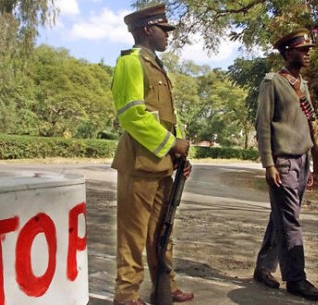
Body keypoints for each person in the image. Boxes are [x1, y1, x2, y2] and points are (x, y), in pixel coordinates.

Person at [110, 4, 193, 305]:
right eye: (164, 29)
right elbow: (131, 116)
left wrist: (179, 154)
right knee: (132, 235)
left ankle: (166, 287)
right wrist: (172, 143)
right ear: (147, 29)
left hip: (161, 163)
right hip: (137, 163)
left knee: (162, 232)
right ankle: (127, 294)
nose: (168, 35)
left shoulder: (156, 65)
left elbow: (164, 117)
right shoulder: (131, 63)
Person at [252, 28, 318, 301]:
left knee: (282, 216)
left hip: (302, 161)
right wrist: (268, 164)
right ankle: (296, 279)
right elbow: (263, 126)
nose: (307, 54)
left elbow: (307, 124)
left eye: (308, 49)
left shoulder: (302, 86)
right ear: (287, 52)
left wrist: (311, 166)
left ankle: (263, 268)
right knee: (290, 220)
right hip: (282, 161)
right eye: (302, 49)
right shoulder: (272, 82)